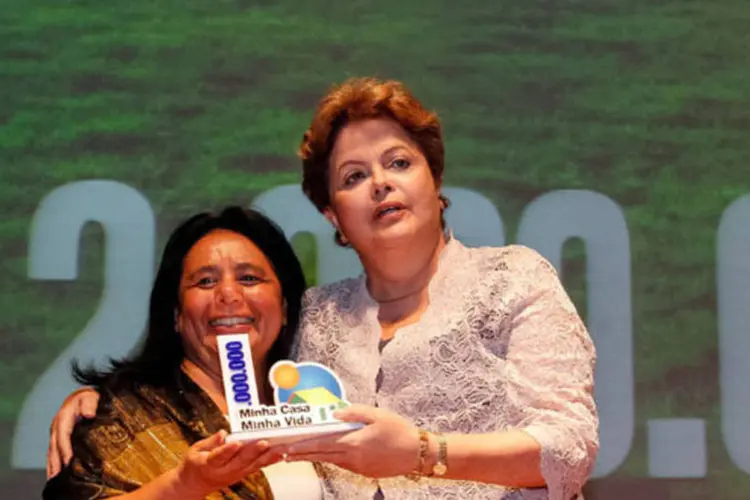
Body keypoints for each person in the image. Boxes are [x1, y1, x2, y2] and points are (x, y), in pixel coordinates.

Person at [47, 78, 599, 499]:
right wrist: (100, 400)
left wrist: (425, 452)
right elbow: (222, 375)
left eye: (399, 163)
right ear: (334, 216)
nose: (380, 182)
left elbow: (570, 449)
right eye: (353, 176)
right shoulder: (318, 316)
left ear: (435, 182)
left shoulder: (512, 279)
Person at [43, 206, 319, 499]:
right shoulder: (119, 418)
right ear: (176, 314)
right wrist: (185, 485)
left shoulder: (316, 402)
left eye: (249, 278)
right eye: (205, 281)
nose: (228, 294)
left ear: (285, 308)